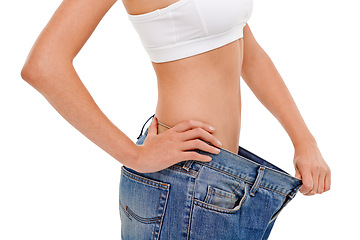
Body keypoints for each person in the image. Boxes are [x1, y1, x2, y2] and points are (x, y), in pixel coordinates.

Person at [20, 0, 331, 239]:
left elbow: (245, 47)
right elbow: (45, 66)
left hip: (225, 179)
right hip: (184, 181)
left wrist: (303, 138)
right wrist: (135, 155)